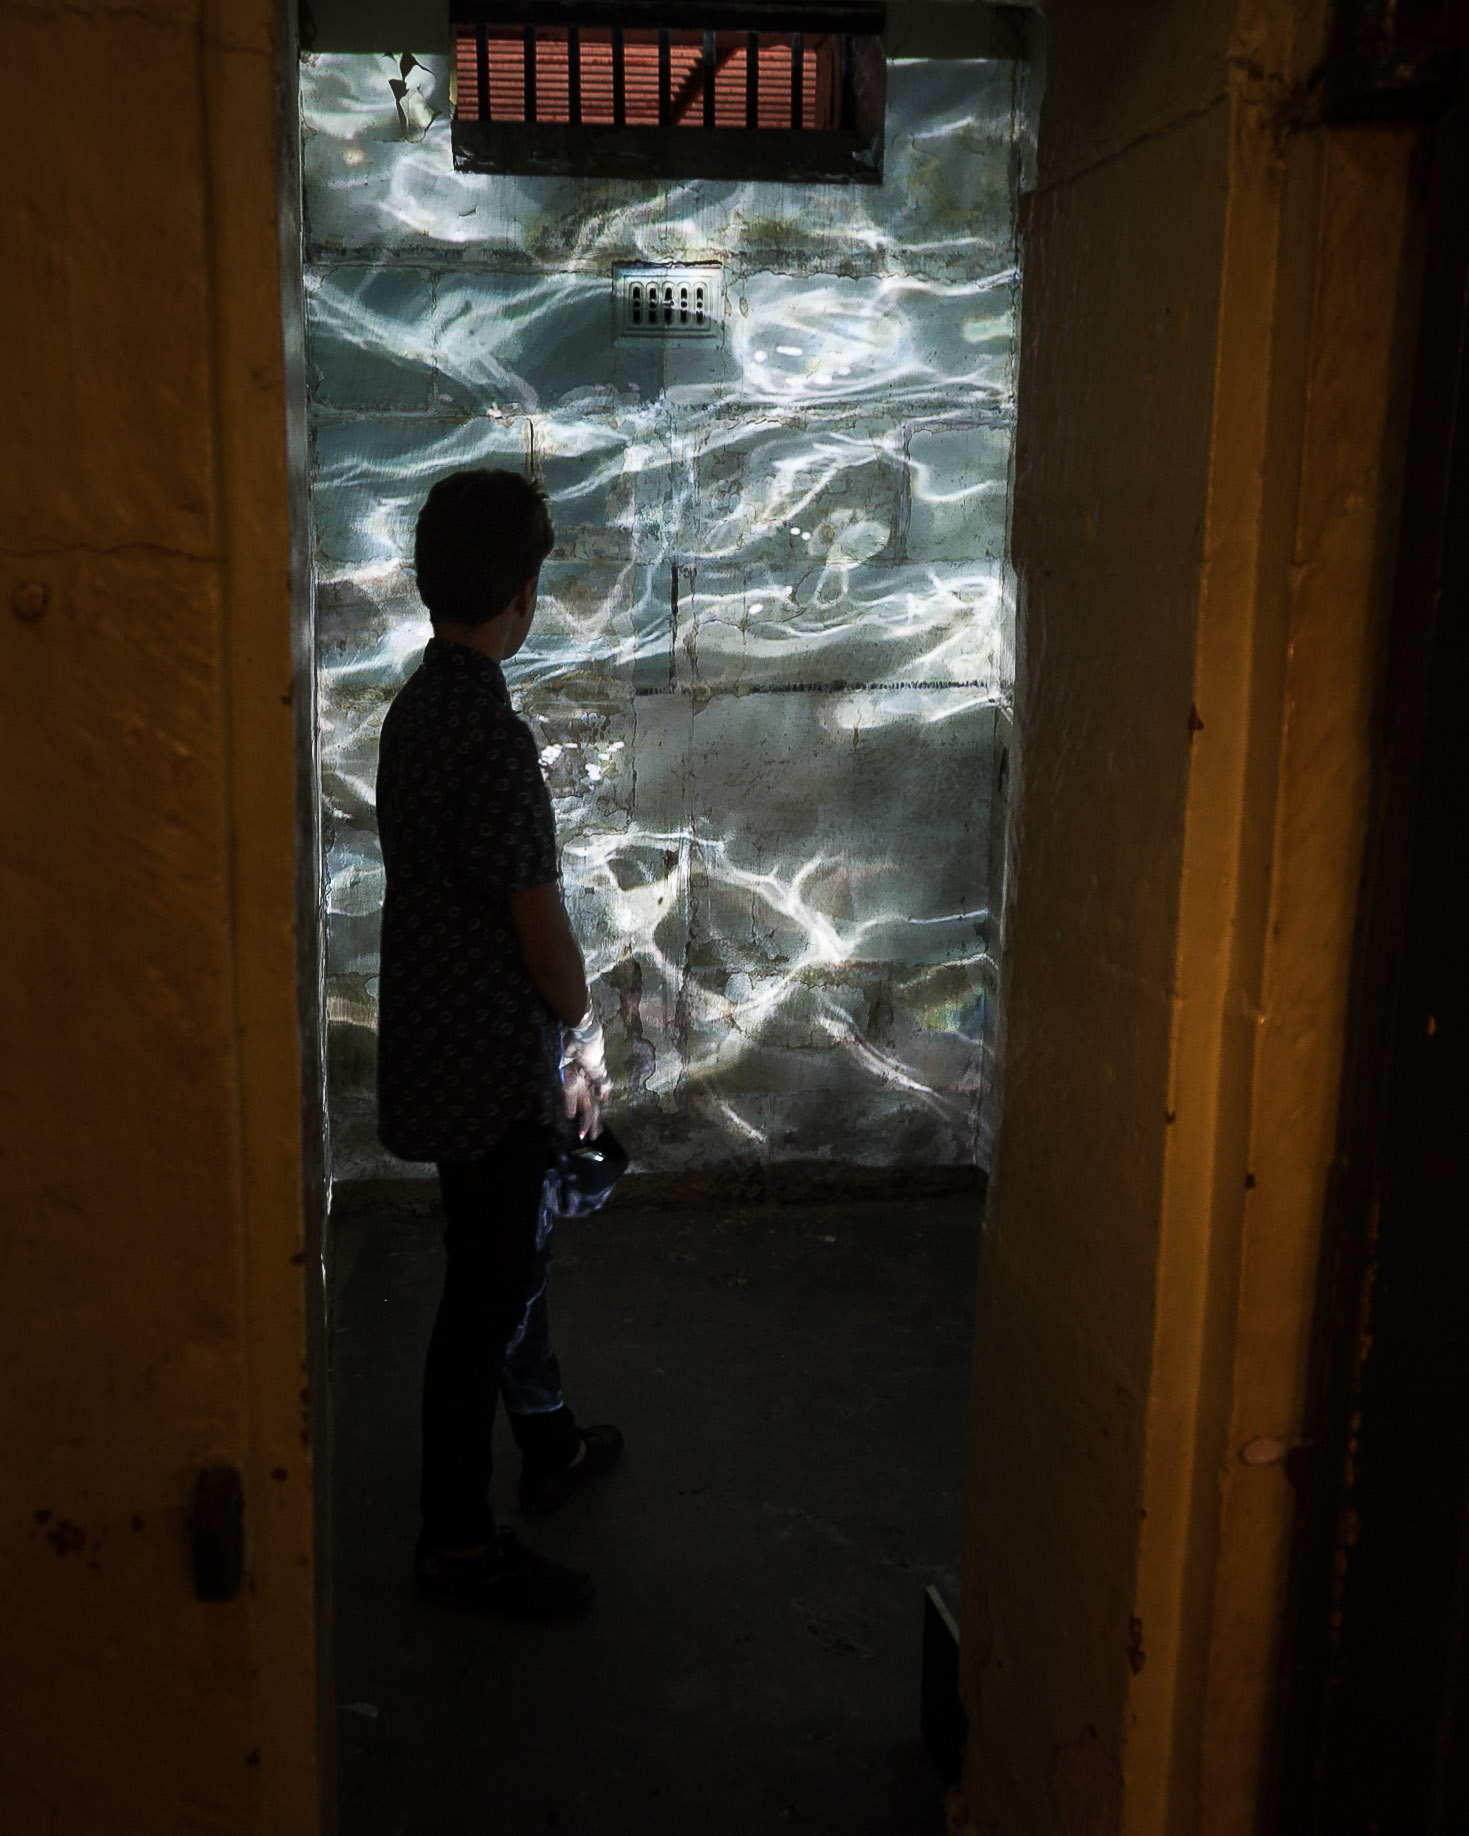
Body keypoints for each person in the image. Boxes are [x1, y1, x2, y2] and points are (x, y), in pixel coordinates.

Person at [375, 468, 622, 1615]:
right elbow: (541, 931)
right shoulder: (493, 737)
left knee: (501, 1260)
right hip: (491, 1067)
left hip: (434, 1046)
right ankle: (459, 1541)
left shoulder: (416, 713)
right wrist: (583, 1028)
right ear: (524, 595)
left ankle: (549, 1439)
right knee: (485, 1294)